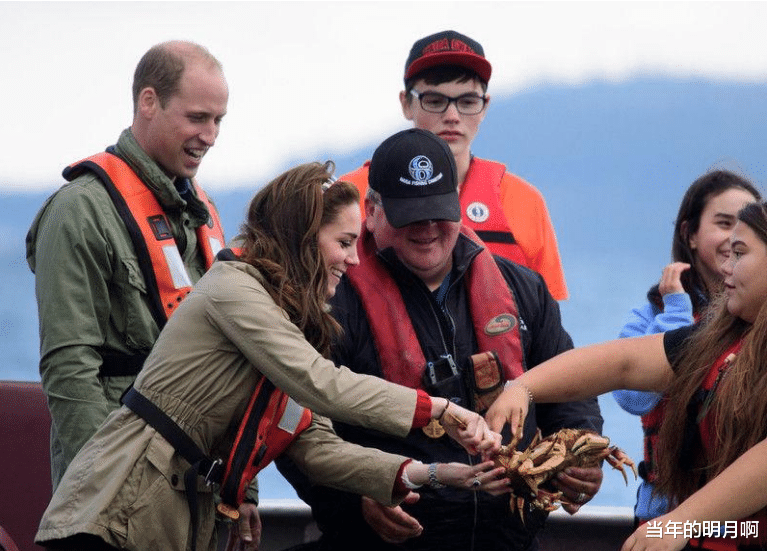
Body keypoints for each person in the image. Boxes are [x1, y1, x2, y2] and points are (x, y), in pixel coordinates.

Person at [35, 161, 506, 551]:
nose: (355, 259)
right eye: (343, 243)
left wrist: (436, 474)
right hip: (116, 512)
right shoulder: (234, 289)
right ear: (302, 238)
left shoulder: (282, 321)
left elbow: (315, 446)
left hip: (166, 516)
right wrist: (439, 409)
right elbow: (320, 381)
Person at [277, 128, 602, 551]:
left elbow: (570, 388)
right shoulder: (331, 303)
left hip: (509, 538)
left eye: (438, 210)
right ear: (371, 211)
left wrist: (581, 454)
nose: (427, 227)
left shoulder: (524, 290)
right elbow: (290, 422)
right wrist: (353, 499)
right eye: (410, 214)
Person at [488, 201, 767, 551]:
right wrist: (524, 388)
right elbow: (621, 364)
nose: (725, 266)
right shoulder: (716, 343)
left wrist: (679, 523)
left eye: (739, 253)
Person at [26, 40, 229, 490]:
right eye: (197, 118)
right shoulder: (79, 211)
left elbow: (227, 362)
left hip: (198, 487)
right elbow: (69, 368)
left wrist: (242, 488)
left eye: (218, 120)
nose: (210, 135)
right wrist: (103, 489)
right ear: (148, 102)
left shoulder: (200, 213)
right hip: (122, 487)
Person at [340, 30, 569, 300]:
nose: (452, 116)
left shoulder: (524, 202)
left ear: (485, 106)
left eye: (468, 102)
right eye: (435, 101)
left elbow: (550, 320)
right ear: (406, 104)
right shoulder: (348, 194)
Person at [612, 171, 761, 524]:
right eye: (723, 223)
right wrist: (676, 310)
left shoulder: (757, 324)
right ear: (689, 234)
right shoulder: (653, 311)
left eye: (743, 227)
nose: (733, 237)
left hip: (737, 517)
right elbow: (633, 398)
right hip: (662, 511)